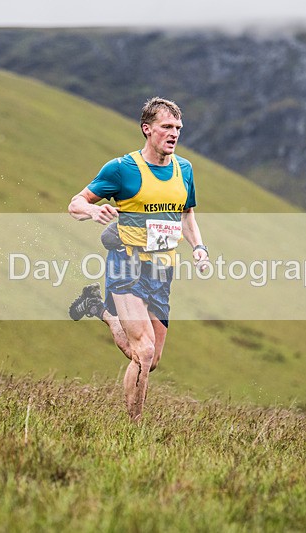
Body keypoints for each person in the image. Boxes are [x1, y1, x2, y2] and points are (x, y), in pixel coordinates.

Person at [67, 96, 209, 421]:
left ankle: (98, 309)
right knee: (143, 351)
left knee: (150, 358)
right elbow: (75, 204)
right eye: (166, 127)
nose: (173, 134)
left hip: (162, 270)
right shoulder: (121, 169)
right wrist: (93, 209)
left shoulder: (184, 170)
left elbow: (187, 216)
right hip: (126, 264)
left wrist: (199, 247)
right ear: (147, 129)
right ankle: (135, 429)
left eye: (178, 128)